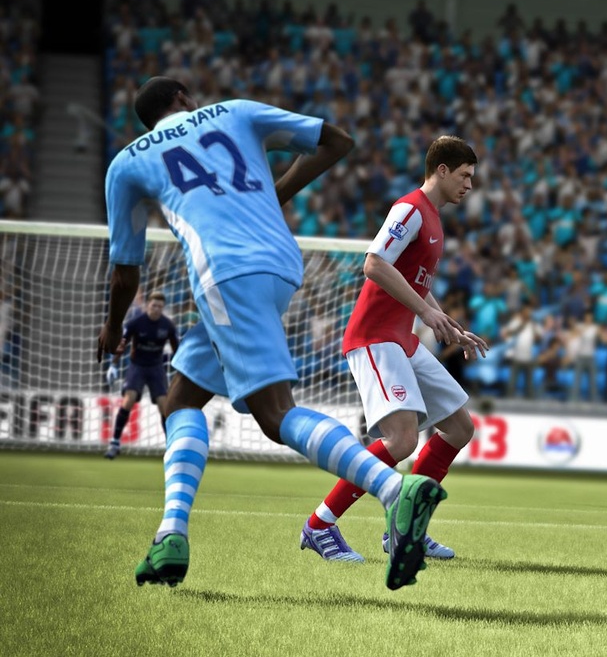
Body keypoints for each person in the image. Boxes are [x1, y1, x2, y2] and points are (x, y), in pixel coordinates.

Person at [98, 76, 465, 591]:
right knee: (180, 399)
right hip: (281, 265)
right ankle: (170, 534)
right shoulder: (235, 112)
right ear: (184, 99)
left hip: (224, 274)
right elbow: (337, 141)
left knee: (274, 415)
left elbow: (125, 273)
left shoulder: (127, 163)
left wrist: (112, 326)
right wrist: (274, 198)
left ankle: (390, 490)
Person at [299, 135, 488, 564]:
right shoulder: (409, 210)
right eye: (465, 176)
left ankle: (405, 529)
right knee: (401, 440)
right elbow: (374, 263)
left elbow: (415, 283)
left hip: (402, 339)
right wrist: (426, 312)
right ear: (442, 170)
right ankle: (320, 524)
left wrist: (447, 323)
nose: (469, 185)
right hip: (375, 337)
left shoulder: (434, 218)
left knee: (460, 428)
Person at [104, 290, 179, 459]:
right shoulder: (136, 323)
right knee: (128, 399)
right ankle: (115, 442)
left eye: (160, 307)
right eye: (154, 305)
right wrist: (113, 365)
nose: (156, 309)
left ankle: (171, 446)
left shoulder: (168, 325)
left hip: (156, 367)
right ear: (147, 305)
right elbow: (122, 343)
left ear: (163, 308)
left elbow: (177, 349)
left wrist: (181, 369)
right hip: (137, 366)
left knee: (164, 406)